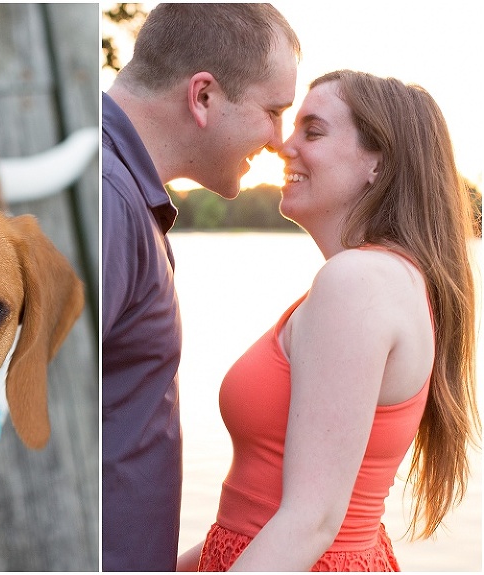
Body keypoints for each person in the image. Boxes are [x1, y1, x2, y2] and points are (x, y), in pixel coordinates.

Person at [178, 70, 481, 571]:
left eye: (311, 132)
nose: (282, 145)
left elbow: (311, 522)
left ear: (378, 164)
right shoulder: (375, 279)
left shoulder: (358, 282)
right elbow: (252, 520)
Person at [102, 4, 300, 571]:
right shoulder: (110, 199)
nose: (279, 140)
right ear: (203, 96)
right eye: (273, 111)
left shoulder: (122, 193)